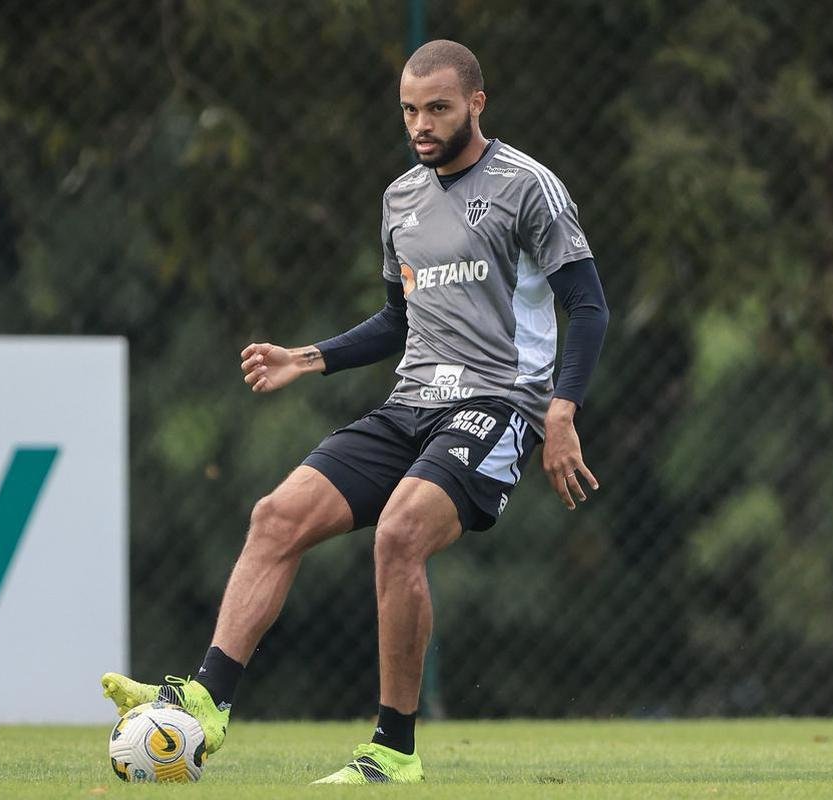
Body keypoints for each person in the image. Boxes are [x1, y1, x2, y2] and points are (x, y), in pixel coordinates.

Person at [101, 39, 609, 784]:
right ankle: (208, 702)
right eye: (409, 109)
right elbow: (399, 321)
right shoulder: (400, 198)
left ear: (476, 103)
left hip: (497, 404)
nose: (421, 124)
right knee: (276, 516)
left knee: (399, 534)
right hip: (411, 404)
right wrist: (303, 359)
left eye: (438, 107)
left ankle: (393, 750)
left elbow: (587, 306)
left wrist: (561, 411)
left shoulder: (527, 186)